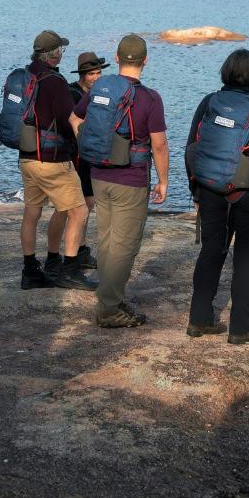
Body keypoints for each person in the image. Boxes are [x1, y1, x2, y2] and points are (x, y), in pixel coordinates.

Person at [185, 49, 249, 344]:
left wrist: (195, 191)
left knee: (211, 250)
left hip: (210, 188)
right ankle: (240, 328)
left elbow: (191, 148)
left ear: (225, 71)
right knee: (245, 258)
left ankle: (199, 320)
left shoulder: (209, 103)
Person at [72, 33, 168, 328]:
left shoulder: (100, 87)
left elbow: (74, 119)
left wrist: (91, 144)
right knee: (125, 245)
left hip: (99, 174)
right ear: (145, 61)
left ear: (116, 58)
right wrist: (163, 182)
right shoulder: (149, 98)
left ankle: (109, 296)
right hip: (131, 179)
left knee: (107, 239)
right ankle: (109, 309)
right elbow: (159, 145)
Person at [18, 30, 97, 291]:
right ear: (54, 54)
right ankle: (70, 270)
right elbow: (69, 119)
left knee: (31, 213)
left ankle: (31, 270)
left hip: (27, 156)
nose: (62, 53)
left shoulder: (26, 75)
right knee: (79, 211)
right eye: (60, 50)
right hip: (52, 160)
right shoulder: (55, 81)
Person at [49, 51, 106, 273]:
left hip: (90, 157)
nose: (97, 77)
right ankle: (63, 255)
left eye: (99, 72)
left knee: (88, 204)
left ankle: (81, 250)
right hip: (75, 157)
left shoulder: (100, 93)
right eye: (92, 73)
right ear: (83, 74)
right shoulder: (72, 94)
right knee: (71, 208)